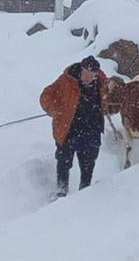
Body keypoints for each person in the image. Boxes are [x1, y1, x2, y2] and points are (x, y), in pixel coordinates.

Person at [40, 56, 108, 197]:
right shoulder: (66, 80)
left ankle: (84, 193)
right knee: (64, 161)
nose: (88, 79)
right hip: (69, 129)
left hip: (92, 130)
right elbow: (46, 94)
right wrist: (53, 109)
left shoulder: (102, 81)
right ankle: (61, 190)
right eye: (85, 75)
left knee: (88, 164)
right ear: (81, 69)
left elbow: (109, 97)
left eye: (91, 77)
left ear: (96, 73)